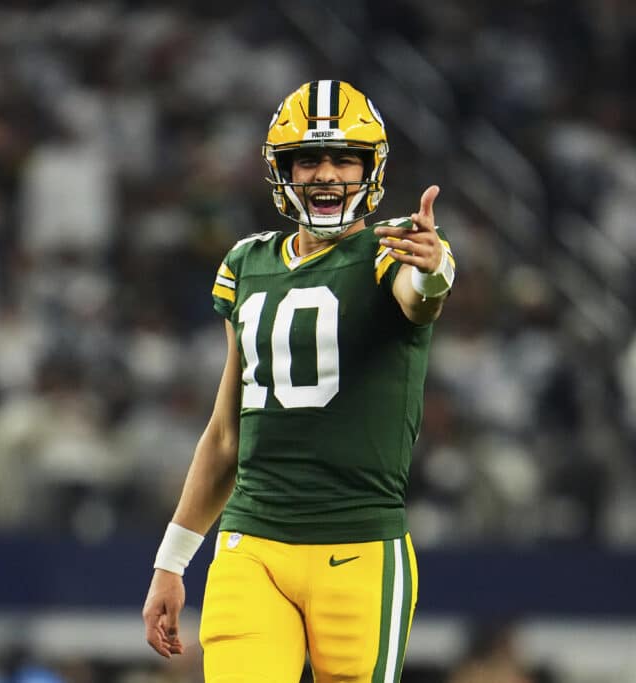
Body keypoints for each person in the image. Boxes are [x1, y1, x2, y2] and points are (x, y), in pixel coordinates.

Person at [141, 80, 456, 682]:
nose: (327, 174)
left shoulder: (396, 248)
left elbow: (420, 298)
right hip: (252, 543)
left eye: (344, 159)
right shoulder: (247, 263)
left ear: (370, 168)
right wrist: (171, 561)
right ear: (282, 170)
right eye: (308, 159)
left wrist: (434, 270)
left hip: (359, 548)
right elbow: (226, 434)